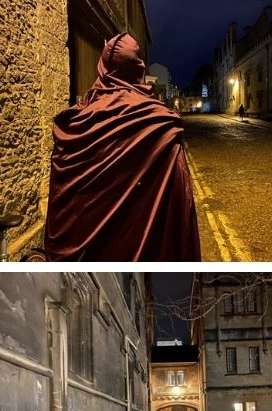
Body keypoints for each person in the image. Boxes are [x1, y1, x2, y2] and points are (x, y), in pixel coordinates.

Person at [45, 33, 201, 261]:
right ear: (139, 69)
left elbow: (63, 207)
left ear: (103, 68)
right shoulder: (159, 122)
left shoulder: (76, 125)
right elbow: (179, 204)